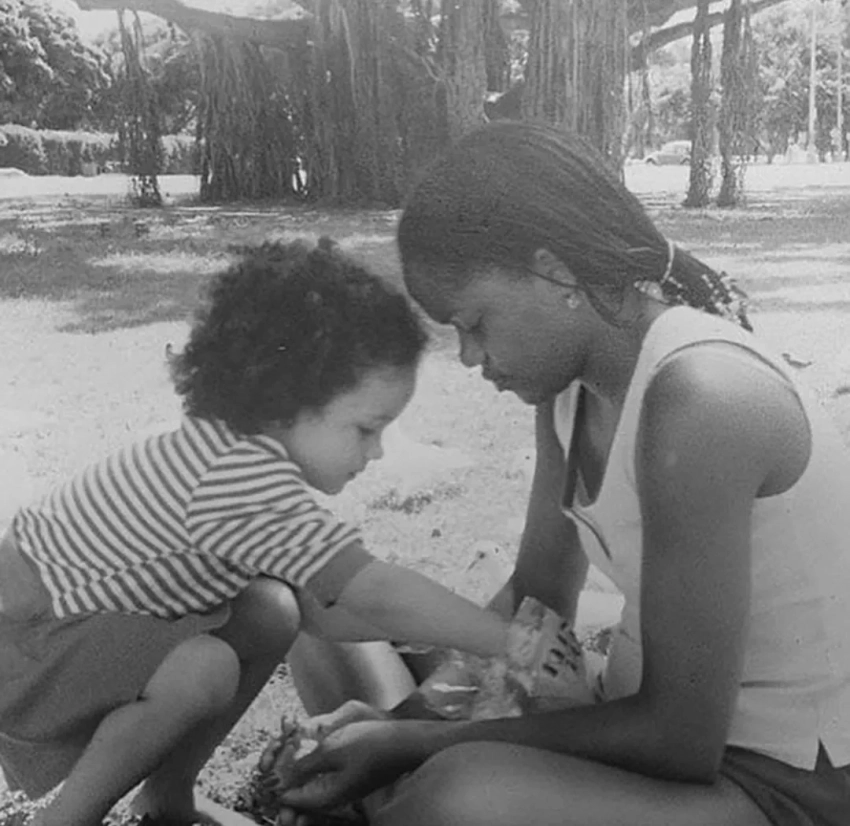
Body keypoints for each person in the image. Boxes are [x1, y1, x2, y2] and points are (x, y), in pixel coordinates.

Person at [279, 122, 850, 826]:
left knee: (462, 793)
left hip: (776, 782)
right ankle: (389, 793)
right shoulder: (570, 393)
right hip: (635, 722)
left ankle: (400, 798)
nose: (470, 357)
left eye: (476, 324)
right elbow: (538, 606)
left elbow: (681, 738)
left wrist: (415, 744)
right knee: (324, 637)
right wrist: (402, 721)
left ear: (555, 272)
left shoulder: (701, 398)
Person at [0, 238, 511, 826]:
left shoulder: (235, 452)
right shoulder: (240, 479)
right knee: (205, 668)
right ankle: (64, 820)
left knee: (272, 609)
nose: (375, 453)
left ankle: (168, 798)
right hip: (28, 658)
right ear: (286, 403)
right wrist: (509, 641)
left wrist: (441, 636)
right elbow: (372, 592)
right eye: (366, 429)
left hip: (63, 641)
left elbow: (327, 614)